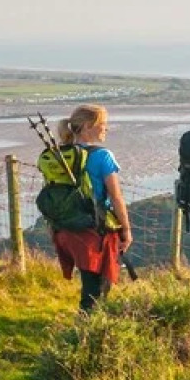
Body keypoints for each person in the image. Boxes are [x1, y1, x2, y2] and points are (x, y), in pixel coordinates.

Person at [49, 103, 132, 312]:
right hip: (94, 230)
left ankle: (90, 327)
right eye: (102, 124)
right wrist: (126, 229)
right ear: (87, 126)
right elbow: (116, 197)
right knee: (96, 289)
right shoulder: (102, 156)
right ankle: (87, 334)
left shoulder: (60, 155)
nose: (106, 128)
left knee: (90, 282)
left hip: (65, 227)